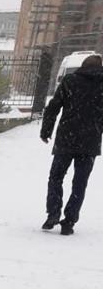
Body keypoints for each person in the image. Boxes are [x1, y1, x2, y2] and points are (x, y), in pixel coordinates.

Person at [40, 53, 103, 236]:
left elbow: (53, 107)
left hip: (66, 139)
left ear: (83, 65)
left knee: (56, 177)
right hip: (90, 142)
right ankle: (69, 221)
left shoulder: (70, 81)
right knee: (80, 183)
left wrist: (46, 131)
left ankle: (53, 213)